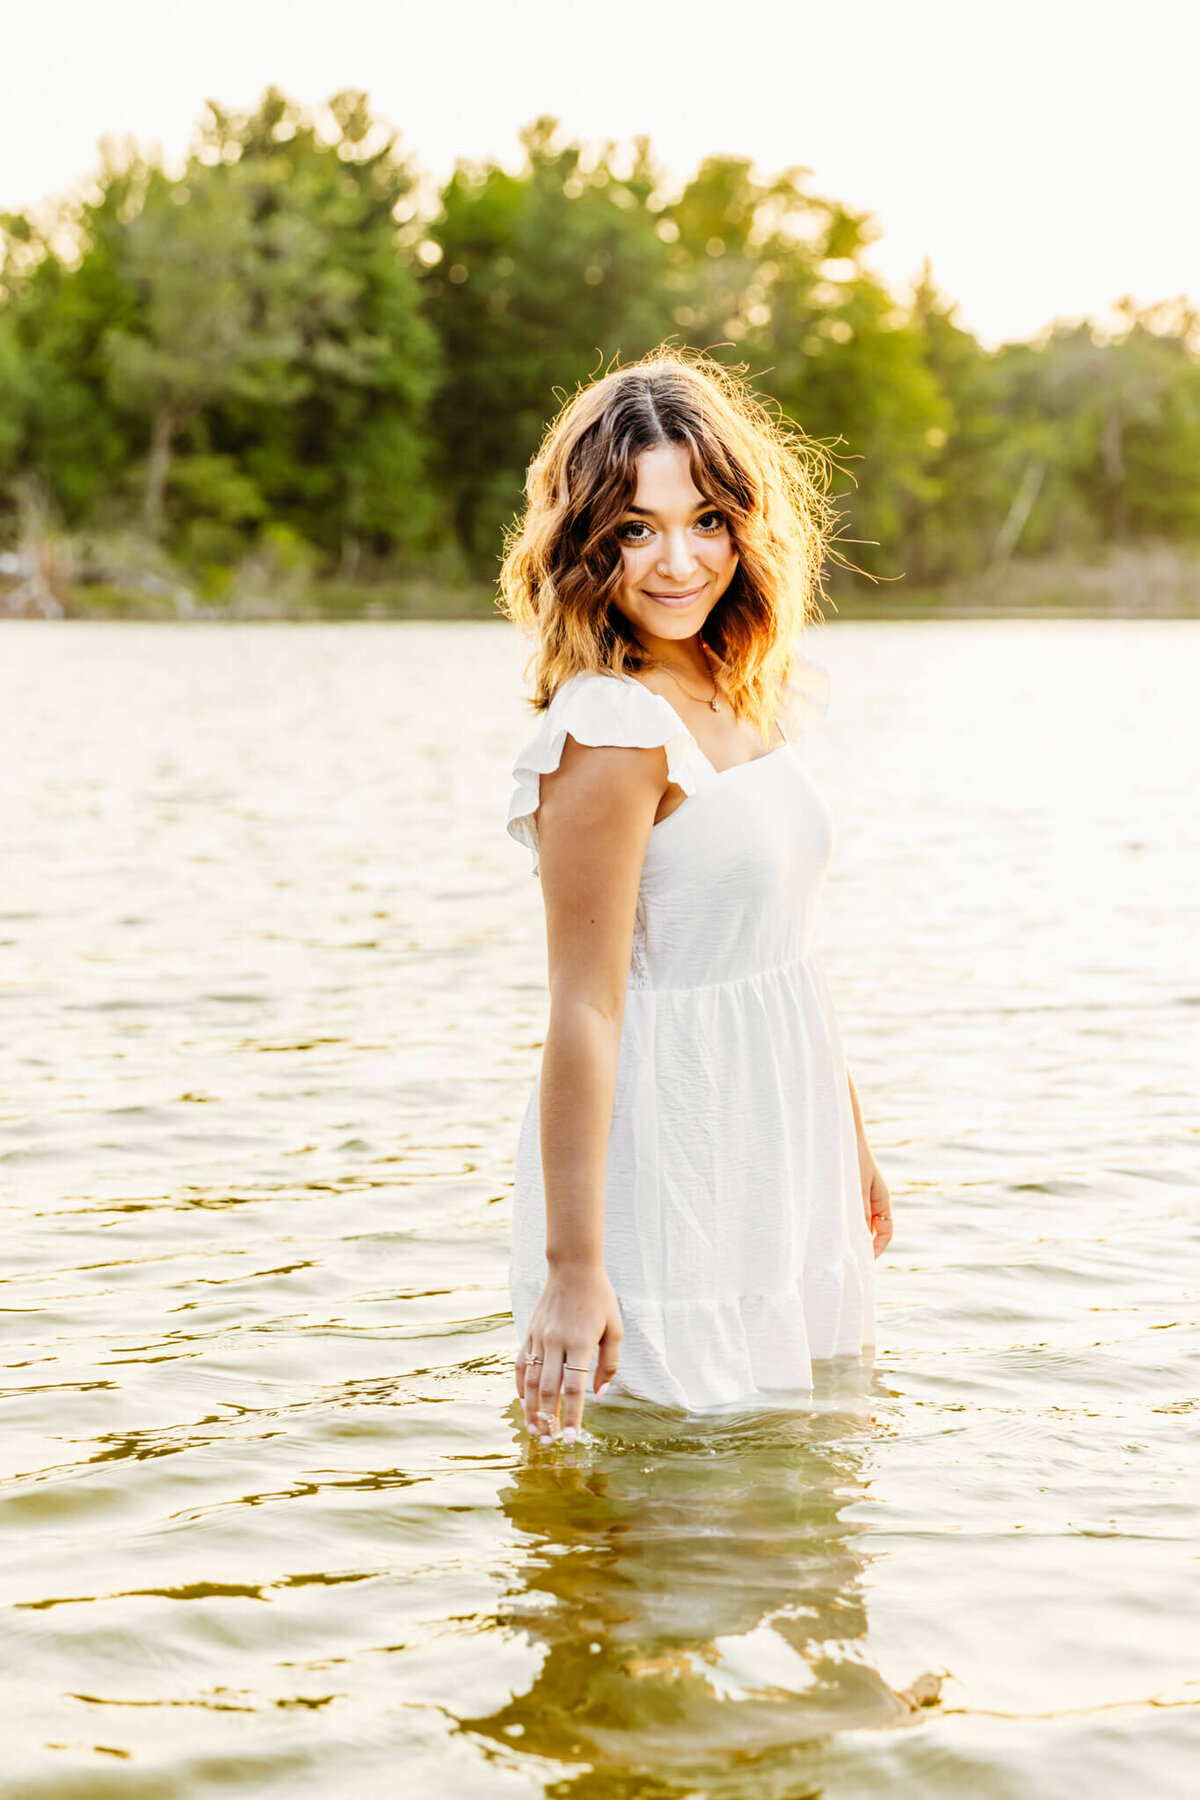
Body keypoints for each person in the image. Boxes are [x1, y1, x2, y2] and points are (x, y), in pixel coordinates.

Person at [499, 346, 893, 1443]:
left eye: (706, 520)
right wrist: (576, 1271)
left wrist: (847, 1139)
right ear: (585, 546)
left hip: (776, 1129)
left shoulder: (736, 688)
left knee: (798, 1508)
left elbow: (780, 949)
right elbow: (584, 1004)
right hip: (672, 1154)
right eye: (635, 529)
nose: (678, 561)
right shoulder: (610, 728)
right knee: (666, 1504)